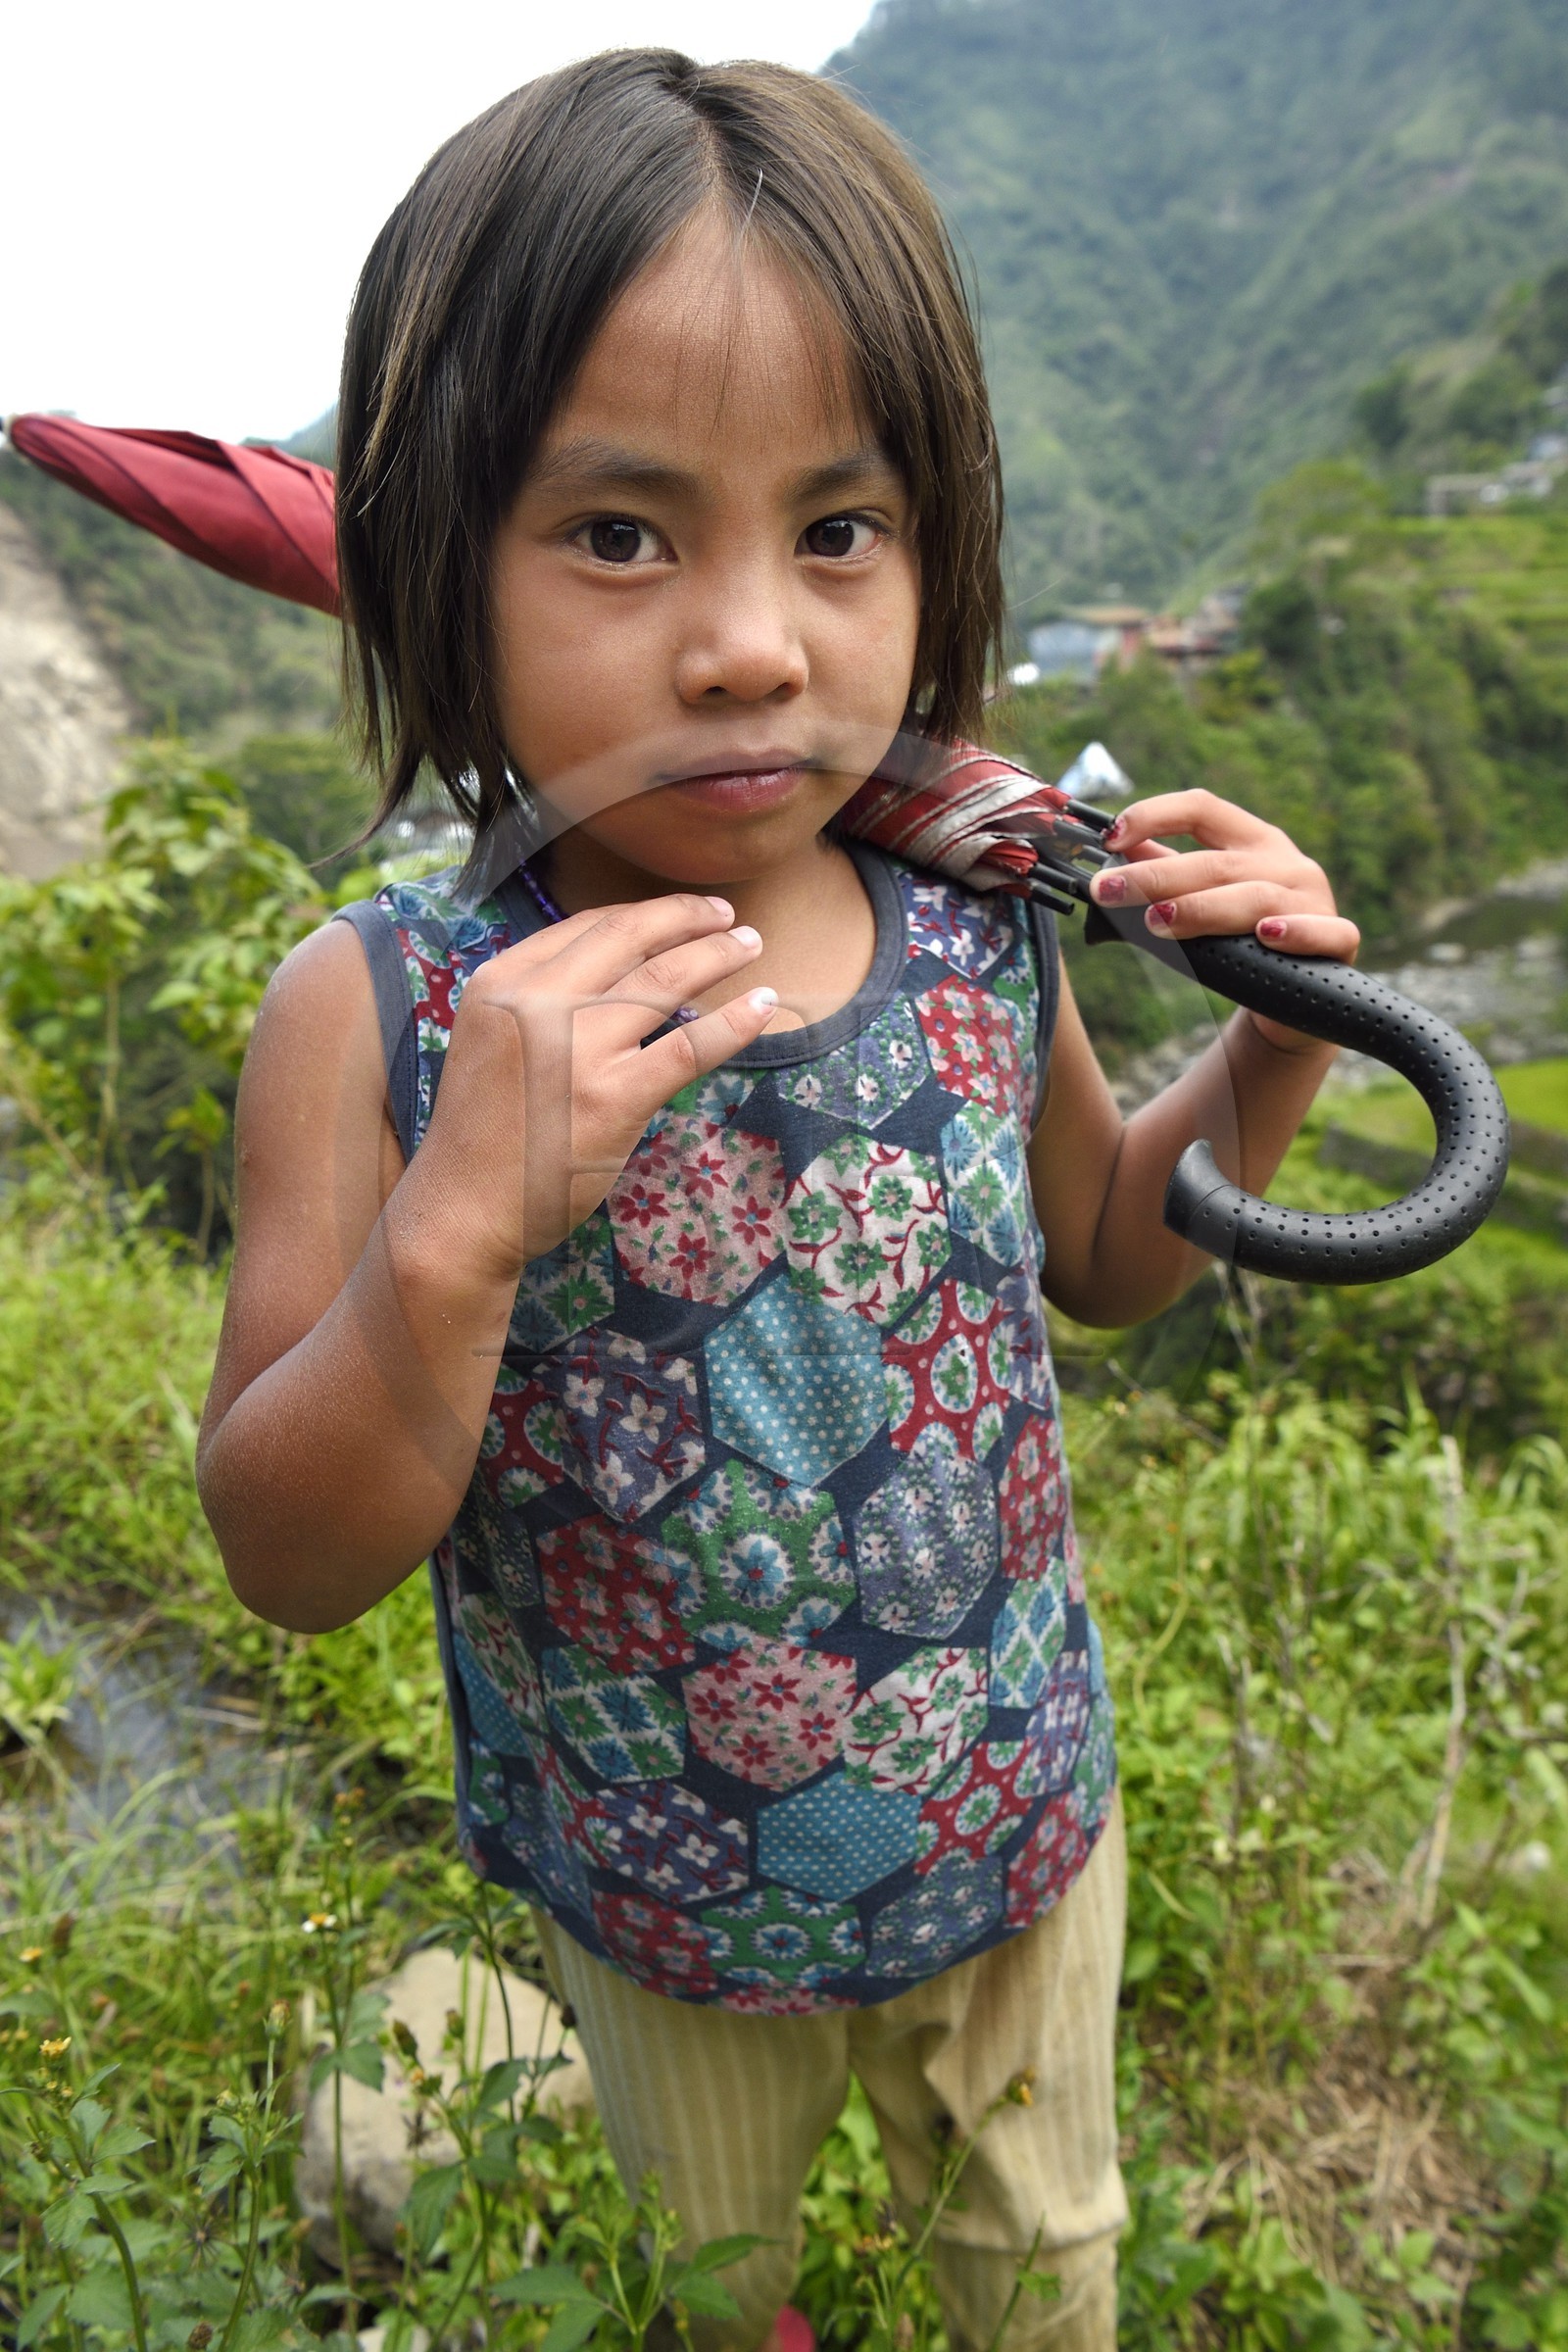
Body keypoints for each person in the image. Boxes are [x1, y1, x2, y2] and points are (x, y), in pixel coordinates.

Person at [195, 50, 1357, 2352]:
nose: (750, 639)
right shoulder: (387, 1014)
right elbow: (287, 1555)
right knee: (712, 2293)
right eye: (620, 535)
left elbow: (1104, 1261)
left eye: (835, 531)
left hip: (1015, 1823)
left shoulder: (961, 918)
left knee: (1043, 2285)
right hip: (664, 1906)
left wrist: (1270, 1037)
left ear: (932, 551)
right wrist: (453, 1242)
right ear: (437, 555)